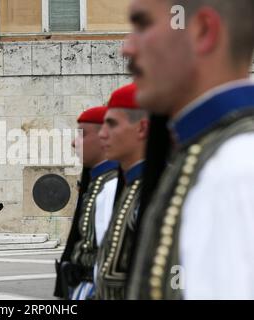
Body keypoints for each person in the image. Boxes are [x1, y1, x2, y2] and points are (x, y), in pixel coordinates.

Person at [123, 0, 254, 299]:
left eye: (143, 25)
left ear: (202, 31)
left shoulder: (236, 170)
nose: (126, 48)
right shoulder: (205, 156)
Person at [54, 106, 119, 300]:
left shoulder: (112, 185)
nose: (74, 143)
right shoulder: (97, 182)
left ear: (104, 136)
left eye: (82, 134)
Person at [95, 83, 149, 300]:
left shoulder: (153, 192)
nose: (102, 135)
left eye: (112, 124)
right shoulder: (124, 187)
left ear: (142, 128)